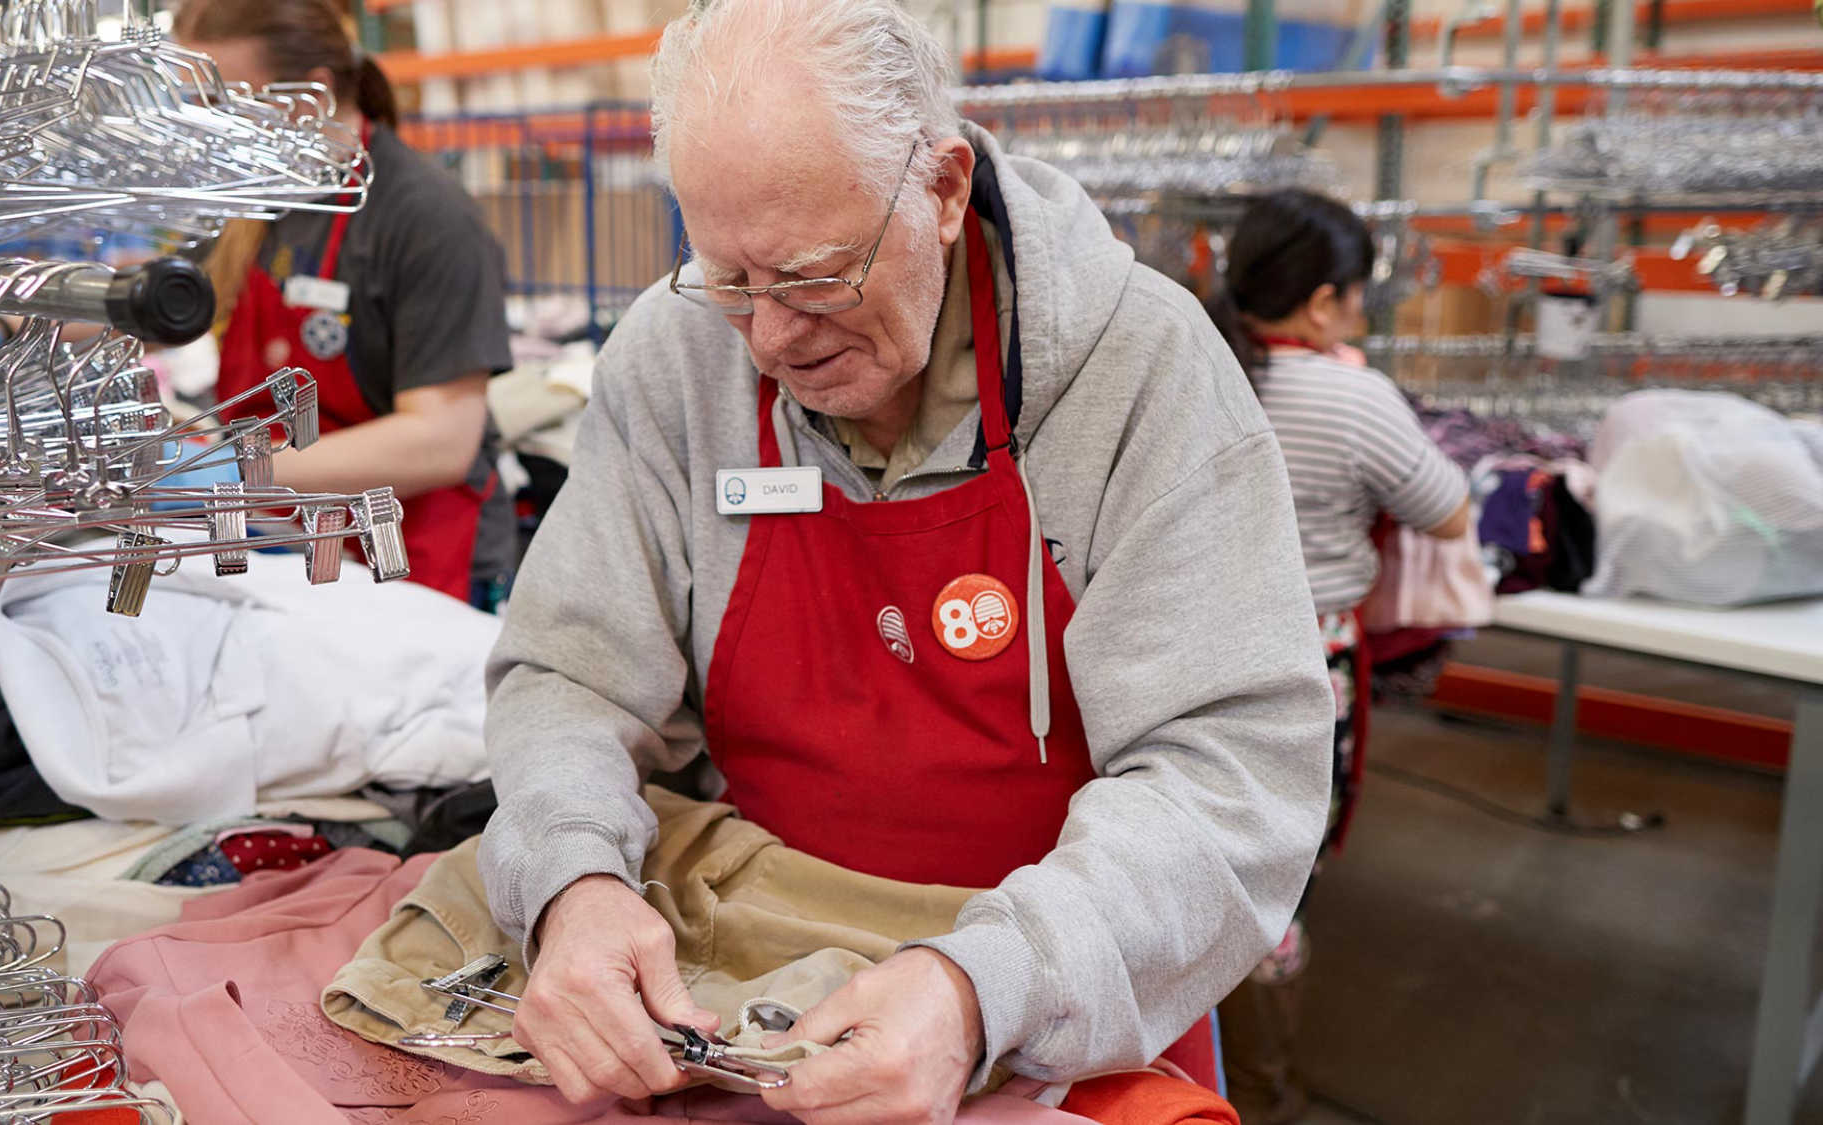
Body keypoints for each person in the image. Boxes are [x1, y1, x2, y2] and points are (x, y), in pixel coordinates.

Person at [478, 2, 1335, 1122]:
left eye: (812, 277)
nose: (772, 337)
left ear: (938, 189)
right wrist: (573, 884)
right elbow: (569, 678)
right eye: (728, 281)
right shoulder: (674, 358)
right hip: (758, 970)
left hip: (1067, 1000)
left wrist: (983, 987)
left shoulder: (1142, 372)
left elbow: (1226, 778)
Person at [1202, 188, 1471, 1123]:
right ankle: (1262, 1084)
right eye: (1357, 296)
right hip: (1299, 668)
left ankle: (1174, 1063)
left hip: (1185, 646)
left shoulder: (1192, 365)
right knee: (1279, 876)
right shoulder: (1356, 398)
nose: (1361, 314)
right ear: (1323, 303)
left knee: (1188, 846)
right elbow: (1451, 510)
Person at [173, 0, 517, 607]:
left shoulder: (424, 218)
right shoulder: (252, 198)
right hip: (281, 540)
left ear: (311, 96)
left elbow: (441, 439)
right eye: (195, 107)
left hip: (409, 558)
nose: (208, 128)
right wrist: (19, 310)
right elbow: (162, 302)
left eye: (226, 103)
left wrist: (238, 471)